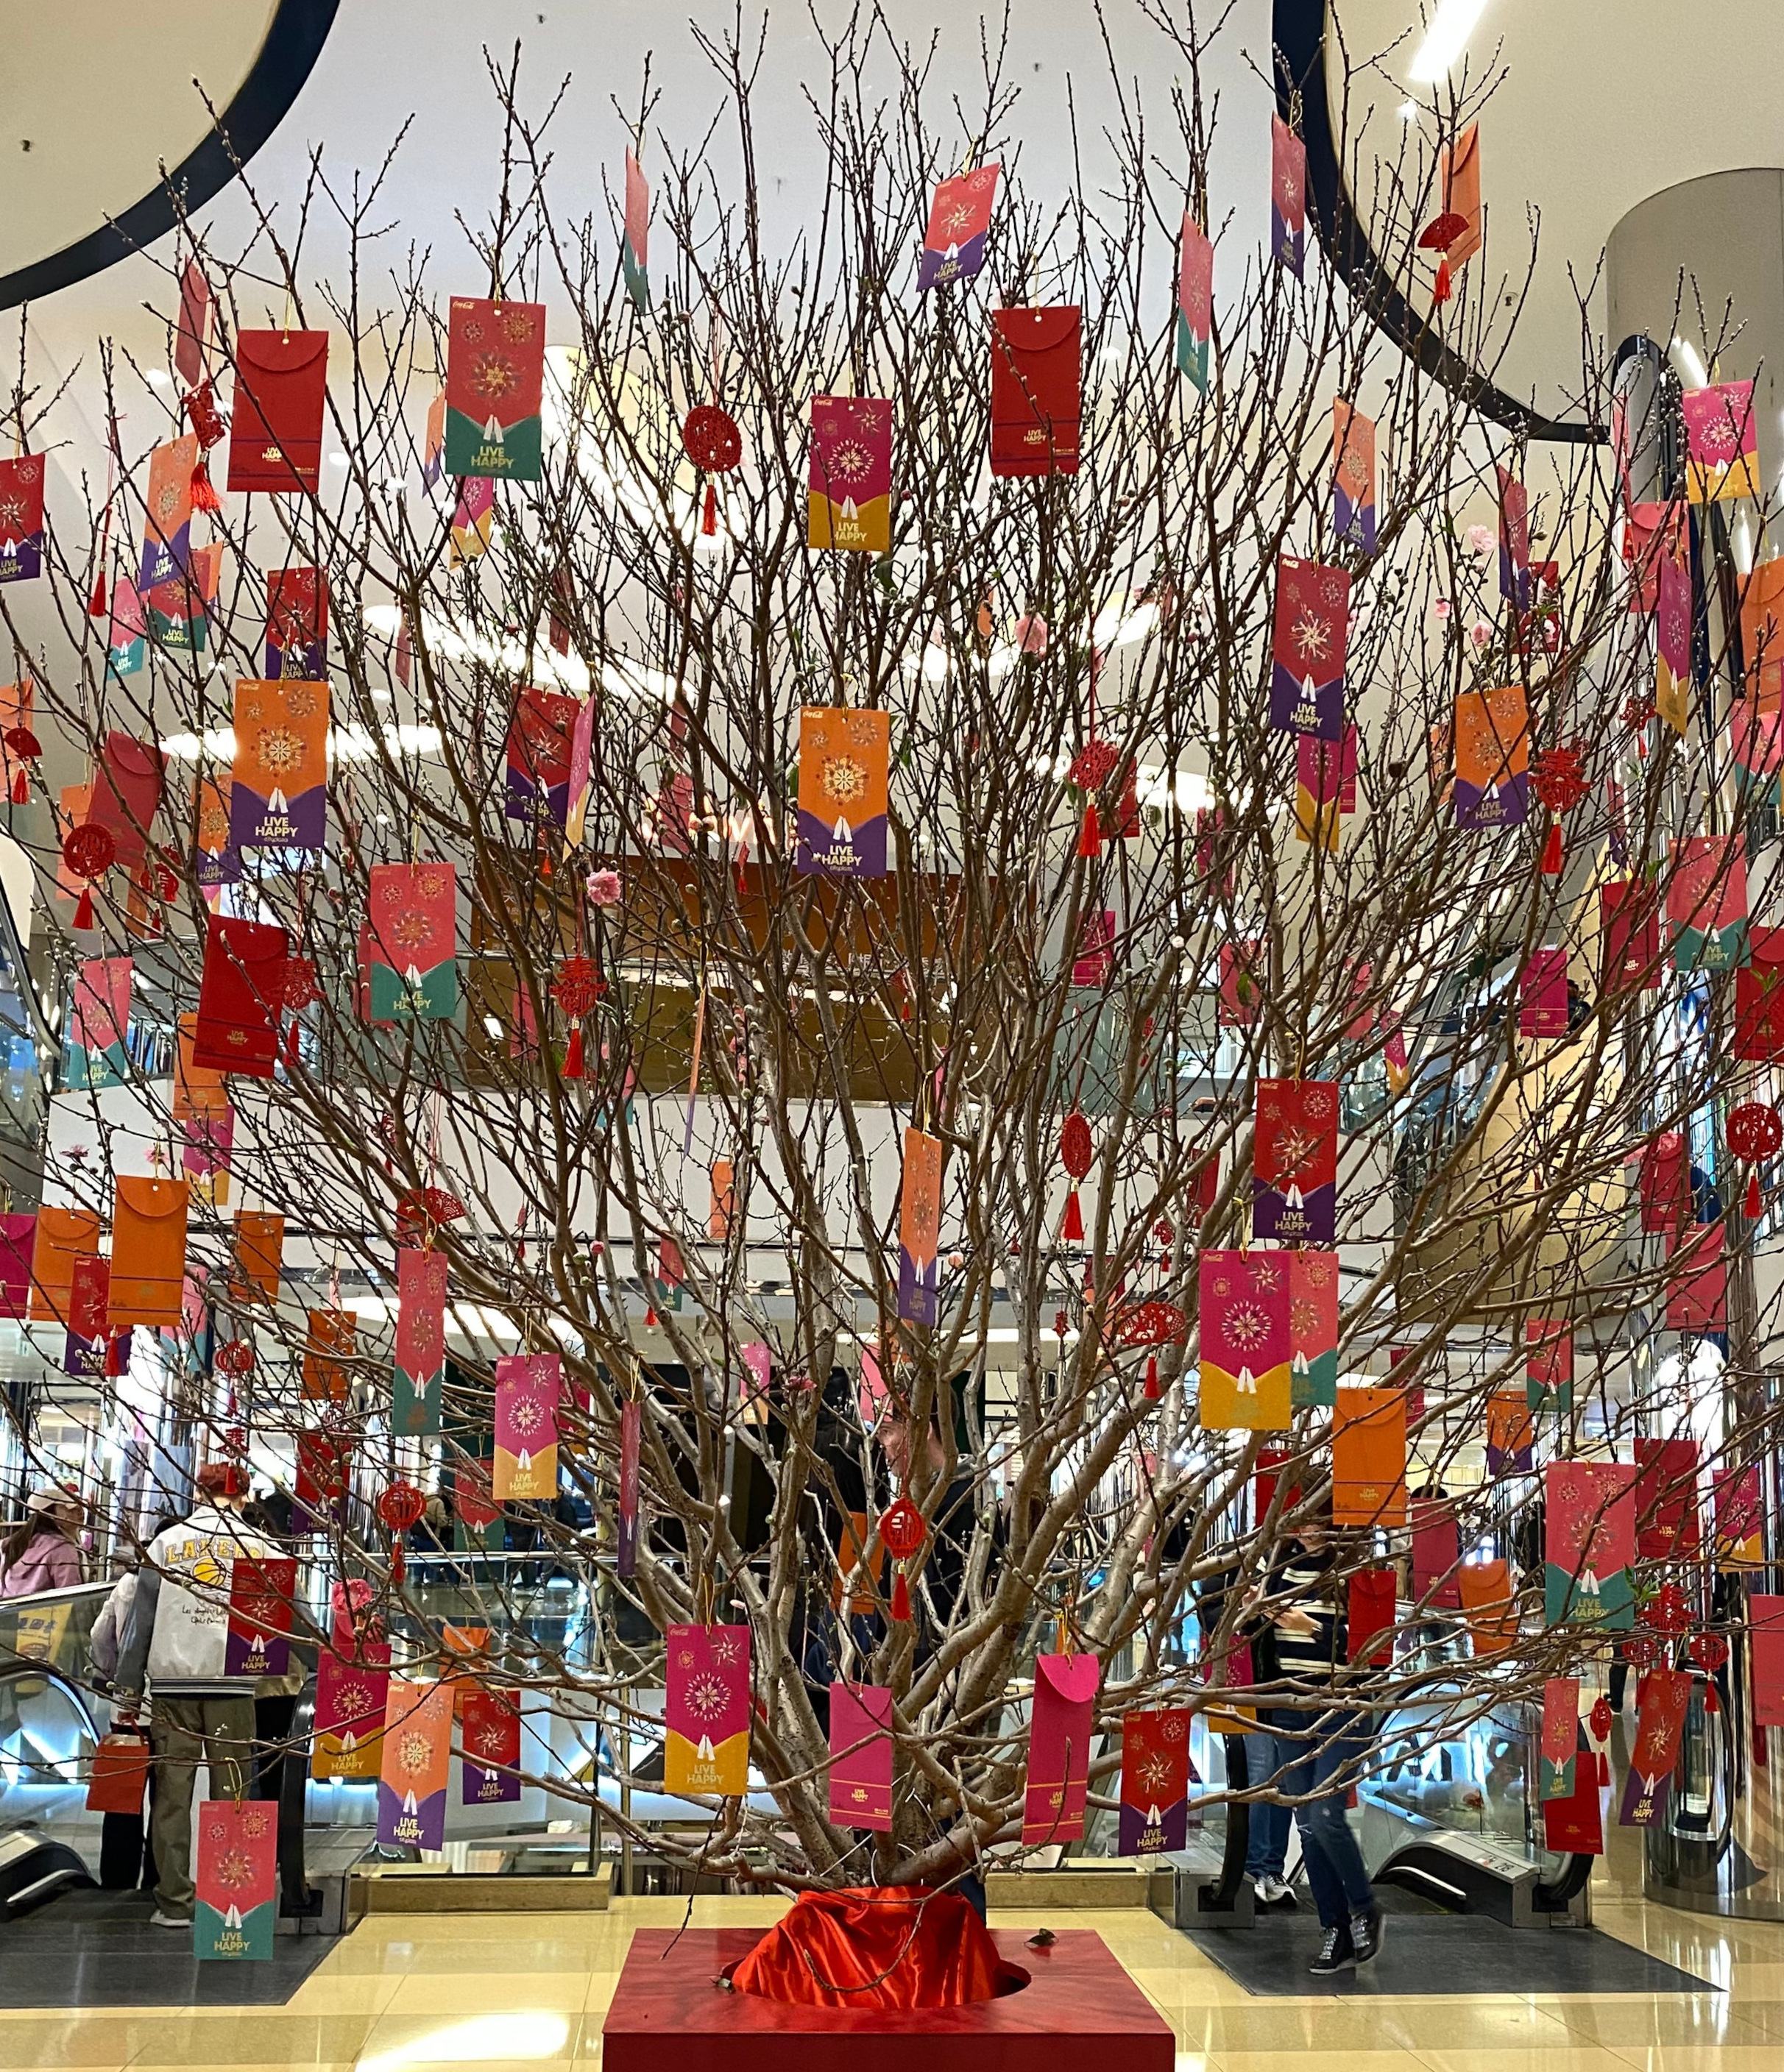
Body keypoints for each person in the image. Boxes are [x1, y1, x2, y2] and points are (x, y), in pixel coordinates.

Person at [113, 1463, 280, 1929]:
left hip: (173, 1691)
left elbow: (141, 1622)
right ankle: (231, 1900)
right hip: (234, 1688)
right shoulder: (260, 1546)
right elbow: (290, 1616)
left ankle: (175, 1904)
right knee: (234, 1795)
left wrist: (129, 1689)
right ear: (243, 1497)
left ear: (197, 1494)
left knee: (171, 1799)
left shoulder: (165, 1545)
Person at [1254, 1493, 1384, 1974]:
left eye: (1316, 1521)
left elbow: (1372, 1649)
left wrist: (1312, 1628)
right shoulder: (1278, 1566)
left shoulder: (1358, 1573)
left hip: (1342, 1708)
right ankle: (1335, 1930)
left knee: (1326, 1815)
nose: (1306, 1531)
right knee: (1306, 1824)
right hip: (1289, 1707)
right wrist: (1252, 1610)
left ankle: (1364, 1906)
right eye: (1301, 1520)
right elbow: (1246, 1631)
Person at [0, 1486, 85, 1595]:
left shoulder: (10, 1544)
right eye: (69, 1509)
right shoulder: (62, 1551)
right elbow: (70, 1597)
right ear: (50, 1513)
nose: (79, 1512)